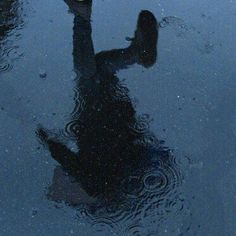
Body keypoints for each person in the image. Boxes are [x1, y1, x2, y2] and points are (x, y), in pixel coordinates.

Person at [37, 1, 179, 214]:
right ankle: (82, 16)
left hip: (119, 119)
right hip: (101, 121)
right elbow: (67, 160)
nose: (56, 188)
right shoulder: (95, 187)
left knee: (100, 67)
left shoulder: (114, 187)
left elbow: (152, 155)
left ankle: (133, 52)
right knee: (87, 74)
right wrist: (46, 141)